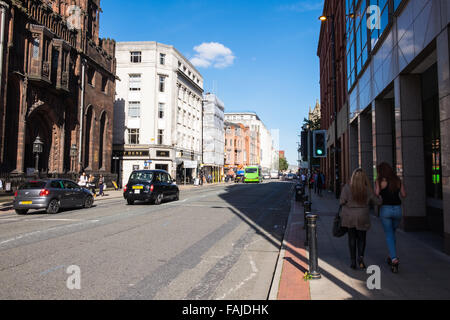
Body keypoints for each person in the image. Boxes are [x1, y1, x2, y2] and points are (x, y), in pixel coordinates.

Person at [340, 168, 382, 270]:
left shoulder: (347, 187)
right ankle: (361, 258)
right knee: (362, 238)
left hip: (350, 216)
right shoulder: (367, 189)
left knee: (352, 238)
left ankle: (353, 261)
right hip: (363, 216)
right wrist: (379, 196)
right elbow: (377, 202)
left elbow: (341, 201)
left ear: (353, 177)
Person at [375, 162, 407, 273]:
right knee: (392, 233)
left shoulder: (379, 181)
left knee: (389, 234)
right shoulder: (397, 180)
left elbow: (377, 194)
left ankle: (394, 259)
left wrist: (381, 190)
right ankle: (391, 255)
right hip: (398, 209)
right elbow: (403, 195)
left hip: (386, 210)